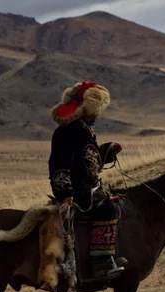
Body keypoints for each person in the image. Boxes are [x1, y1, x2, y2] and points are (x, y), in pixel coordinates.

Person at [48, 80, 127, 278]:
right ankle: (100, 262)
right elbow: (60, 164)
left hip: (86, 185)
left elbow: (87, 159)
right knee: (107, 208)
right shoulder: (70, 131)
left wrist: (105, 152)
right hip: (78, 189)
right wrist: (66, 193)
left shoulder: (82, 128)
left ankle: (110, 255)